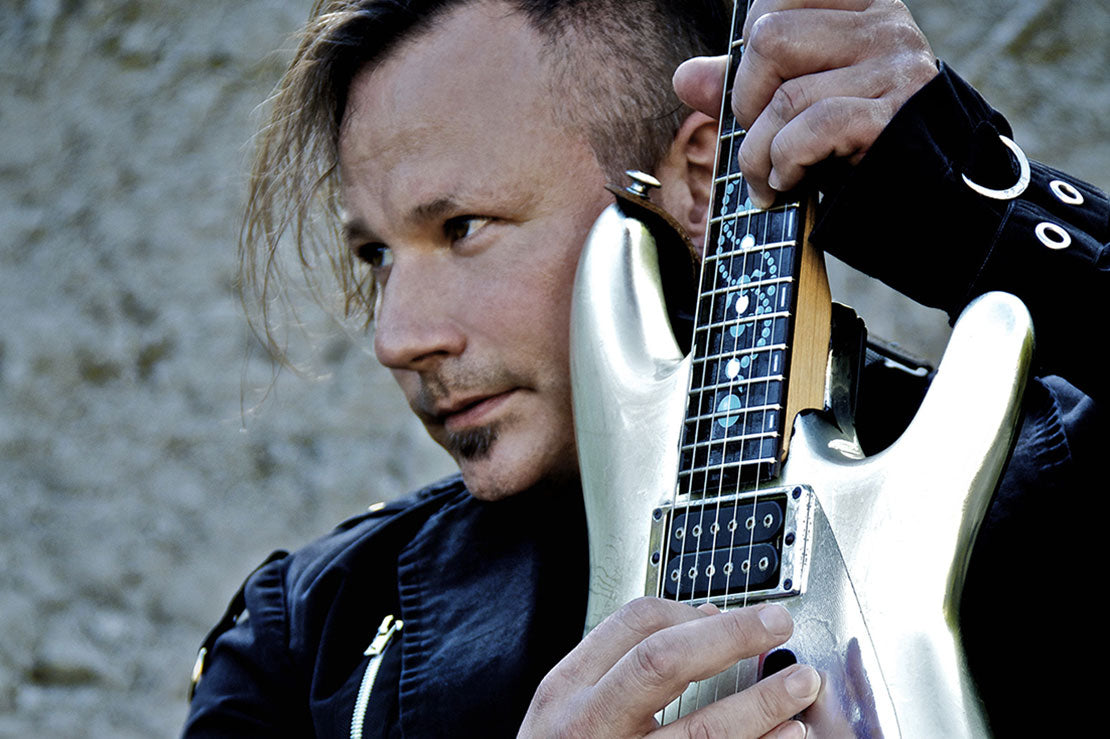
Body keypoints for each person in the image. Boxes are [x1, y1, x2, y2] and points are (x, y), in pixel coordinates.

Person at [184, 0, 1107, 736]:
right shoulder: (306, 639)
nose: (395, 336)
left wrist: (977, 200)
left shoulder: (1056, 486)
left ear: (704, 177)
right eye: (376, 255)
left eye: (461, 228)